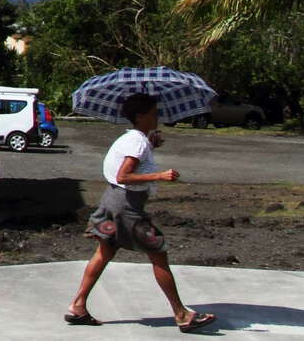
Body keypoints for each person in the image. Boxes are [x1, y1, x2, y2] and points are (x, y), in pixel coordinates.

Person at [64, 93, 215, 332]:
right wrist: (160, 175)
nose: (158, 117)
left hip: (112, 200)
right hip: (127, 206)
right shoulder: (136, 142)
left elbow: (129, 168)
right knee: (158, 252)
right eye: (154, 113)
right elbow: (124, 175)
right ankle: (182, 314)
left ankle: (78, 305)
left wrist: (150, 145)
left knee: (105, 251)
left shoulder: (136, 139)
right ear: (140, 116)